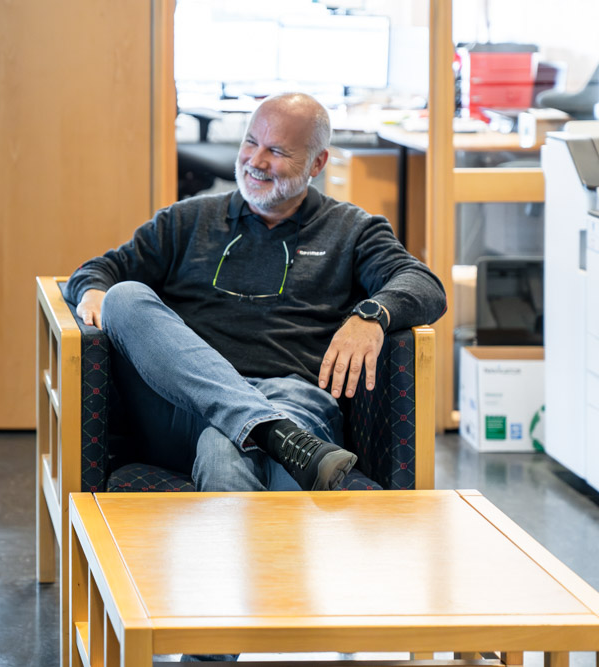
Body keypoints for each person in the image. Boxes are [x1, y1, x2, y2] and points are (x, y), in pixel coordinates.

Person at [68, 92, 446, 493]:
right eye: (251, 142)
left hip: (293, 400)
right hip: (187, 405)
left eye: (277, 151)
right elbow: (98, 270)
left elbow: (424, 284)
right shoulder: (186, 220)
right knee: (124, 297)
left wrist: (372, 314)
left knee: (223, 446)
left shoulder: (352, 230)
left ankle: (266, 435)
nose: (256, 161)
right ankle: (273, 434)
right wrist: (93, 291)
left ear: (317, 163)